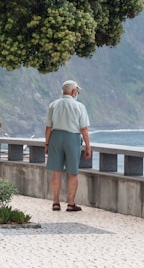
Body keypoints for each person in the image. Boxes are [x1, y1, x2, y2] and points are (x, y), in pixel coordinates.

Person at [44, 80, 91, 212]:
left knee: (56, 171)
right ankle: (70, 204)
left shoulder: (53, 105)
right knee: (72, 172)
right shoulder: (79, 106)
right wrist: (88, 147)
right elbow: (84, 129)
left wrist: (46, 143)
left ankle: (55, 202)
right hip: (72, 138)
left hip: (56, 137)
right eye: (77, 91)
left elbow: (48, 127)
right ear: (74, 91)